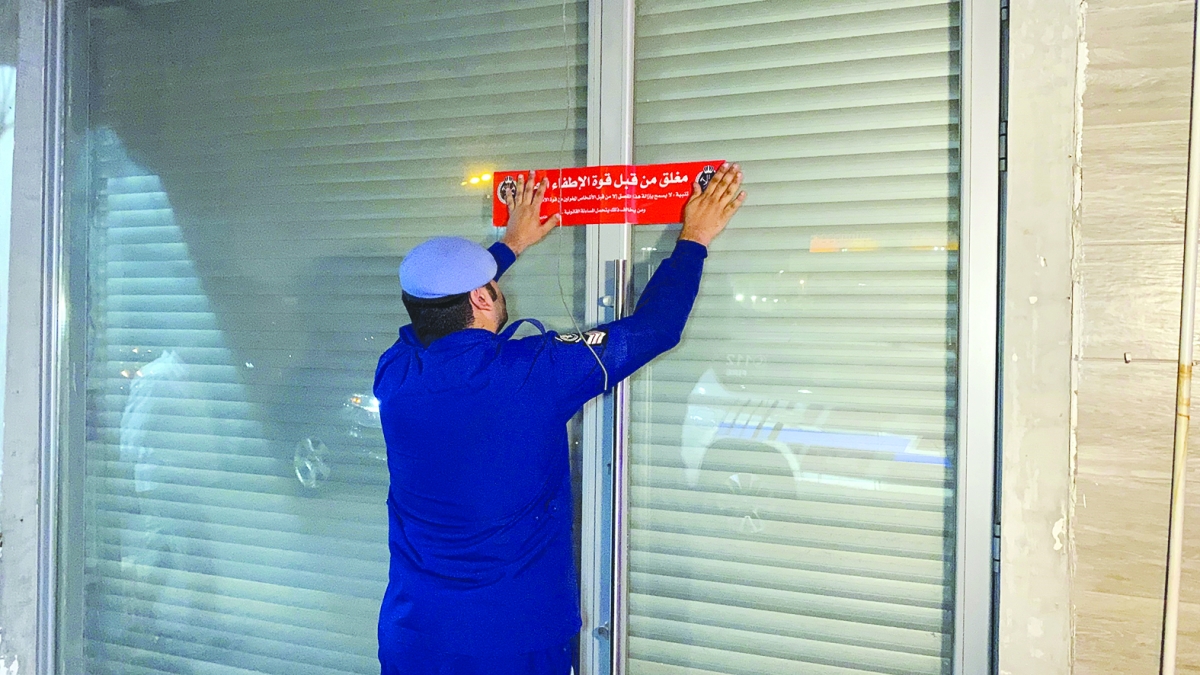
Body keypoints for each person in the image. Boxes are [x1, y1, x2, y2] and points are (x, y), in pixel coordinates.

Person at [374, 163, 746, 675]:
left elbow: (437, 314)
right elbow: (656, 328)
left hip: (413, 634)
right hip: (511, 641)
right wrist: (694, 238)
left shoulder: (395, 372)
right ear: (481, 296)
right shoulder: (534, 372)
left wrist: (510, 244)